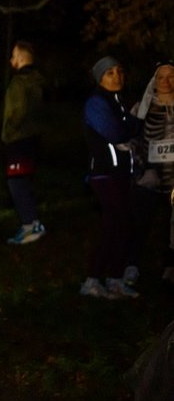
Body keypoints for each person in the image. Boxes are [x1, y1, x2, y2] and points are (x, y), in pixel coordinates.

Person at [80, 56, 142, 299]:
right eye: (110, 73)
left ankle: (113, 279)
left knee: (121, 225)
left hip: (120, 174)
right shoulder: (96, 102)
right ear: (100, 78)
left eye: (119, 71)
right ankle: (93, 280)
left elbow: (132, 128)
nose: (117, 77)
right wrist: (132, 127)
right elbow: (115, 132)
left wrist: (133, 126)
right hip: (104, 174)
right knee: (116, 224)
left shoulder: (117, 102)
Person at [131, 61, 174, 286]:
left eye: (171, 77)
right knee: (141, 221)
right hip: (149, 176)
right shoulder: (143, 108)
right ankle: (132, 265)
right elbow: (132, 139)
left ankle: (170, 265)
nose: (166, 82)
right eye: (161, 77)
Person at [2, 41, 46, 245]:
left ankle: (30, 224)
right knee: (25, 182)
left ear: (20, 58)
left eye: (13, 56)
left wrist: (7, 133)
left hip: (19, 140)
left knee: (17, 183)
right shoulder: (39, 81)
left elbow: (17, 112)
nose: (11, 60)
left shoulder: (19, 82)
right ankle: (31, 222)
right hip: (33, 139)